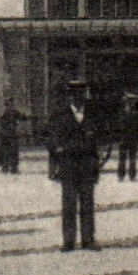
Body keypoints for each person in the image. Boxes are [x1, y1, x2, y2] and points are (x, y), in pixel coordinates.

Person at [48, 80, 103, 251]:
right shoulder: (59, 115)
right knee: (69, 204)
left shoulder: (93, 114)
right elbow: (49, 138)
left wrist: (97, 158)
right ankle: (69, 241)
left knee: (87, 203)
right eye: (74, 94)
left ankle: (88, 240)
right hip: (68, 165)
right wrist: (57, 150)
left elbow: (101, 138)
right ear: (69, 96)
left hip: (87, 165)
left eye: (81, 94)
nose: (78, 97)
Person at [117, 93, 138, 181]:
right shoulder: (122, 112)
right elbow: (119, 126)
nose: (130, 104)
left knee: (132, 157)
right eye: (128, 102)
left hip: (133, 137)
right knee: (122, 157)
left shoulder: (136, 113)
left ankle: (132, 175)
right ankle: (121, 175)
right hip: (123, 137)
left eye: (131, 102)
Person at [0, 105, 23, 174]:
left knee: (10, 151)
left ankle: (10, 167)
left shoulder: (13, 113)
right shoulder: (5, 113)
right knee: (8, 151)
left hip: (9, 135)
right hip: (7, 135)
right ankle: (9, 167)